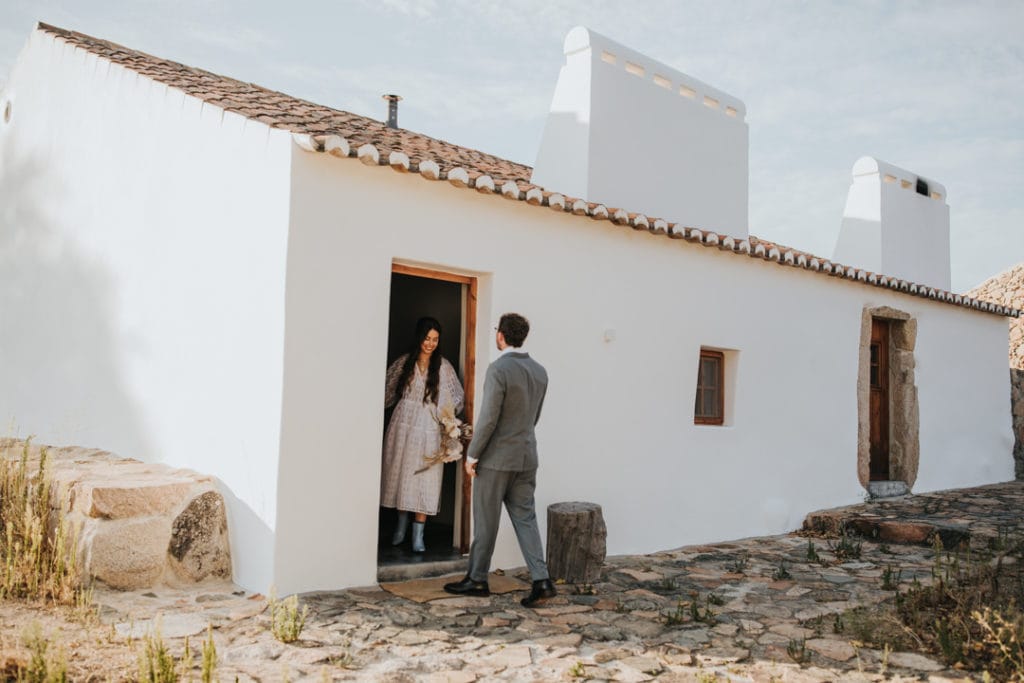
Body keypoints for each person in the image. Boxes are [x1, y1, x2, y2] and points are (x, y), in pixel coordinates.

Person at [443, 313, 556, 608]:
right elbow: (535, 417)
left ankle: (477, 579)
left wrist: (473, 454)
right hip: (527, 455)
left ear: (501, 335)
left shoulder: (498, 370)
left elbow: (489, 418)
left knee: (486, 521)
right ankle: (541, 580)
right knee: (526, 519)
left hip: (495, 459)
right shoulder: (540, 371)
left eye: (497, 331)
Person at [381, 317, 464, 553]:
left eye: (435, 339)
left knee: (425, 478)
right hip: (403, 425)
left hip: (429, 427)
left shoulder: (443, 366)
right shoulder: (405, 362)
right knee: (403, 474)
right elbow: (385, 392)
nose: (430, 343)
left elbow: (457, 397)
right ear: (419, 337)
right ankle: (400, 527)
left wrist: (446, 420)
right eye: (427, 338)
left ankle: (419, 534)